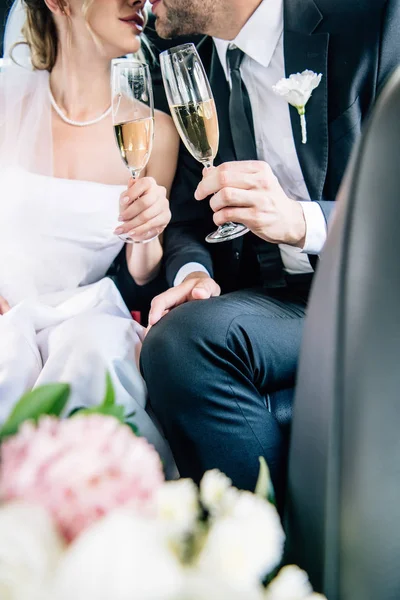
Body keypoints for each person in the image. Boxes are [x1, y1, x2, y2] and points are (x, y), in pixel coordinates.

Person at [140, 0, 400, 503]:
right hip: (279, 303)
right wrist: (194, 274)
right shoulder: (187, 60)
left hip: (374, 297)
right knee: (176, 341)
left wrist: (305, 222)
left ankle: (274, 571)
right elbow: (188, 217)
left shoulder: (373, 20)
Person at [0, 0, 179, 475]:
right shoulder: (3, 95)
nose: (136, 2)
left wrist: (149, 226)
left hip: (83, 316)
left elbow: (143, 271)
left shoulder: (153, 131)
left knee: (91, 353)